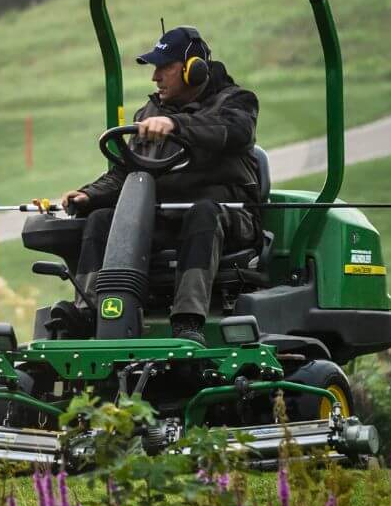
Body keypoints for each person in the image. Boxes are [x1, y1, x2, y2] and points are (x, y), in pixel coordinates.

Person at [53, 25, 260, 344]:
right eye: (154, 68)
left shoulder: (236, 102)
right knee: (101, 219)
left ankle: (189, 320)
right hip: (163, 220)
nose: (155, 77)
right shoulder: (148, 114)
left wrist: (177, 124)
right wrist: (86, 194)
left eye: (164, 67)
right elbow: (127, 174)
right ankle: (88, 313)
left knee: (203, 213)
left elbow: (235, 131)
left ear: (193, 69)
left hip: (227, 219)